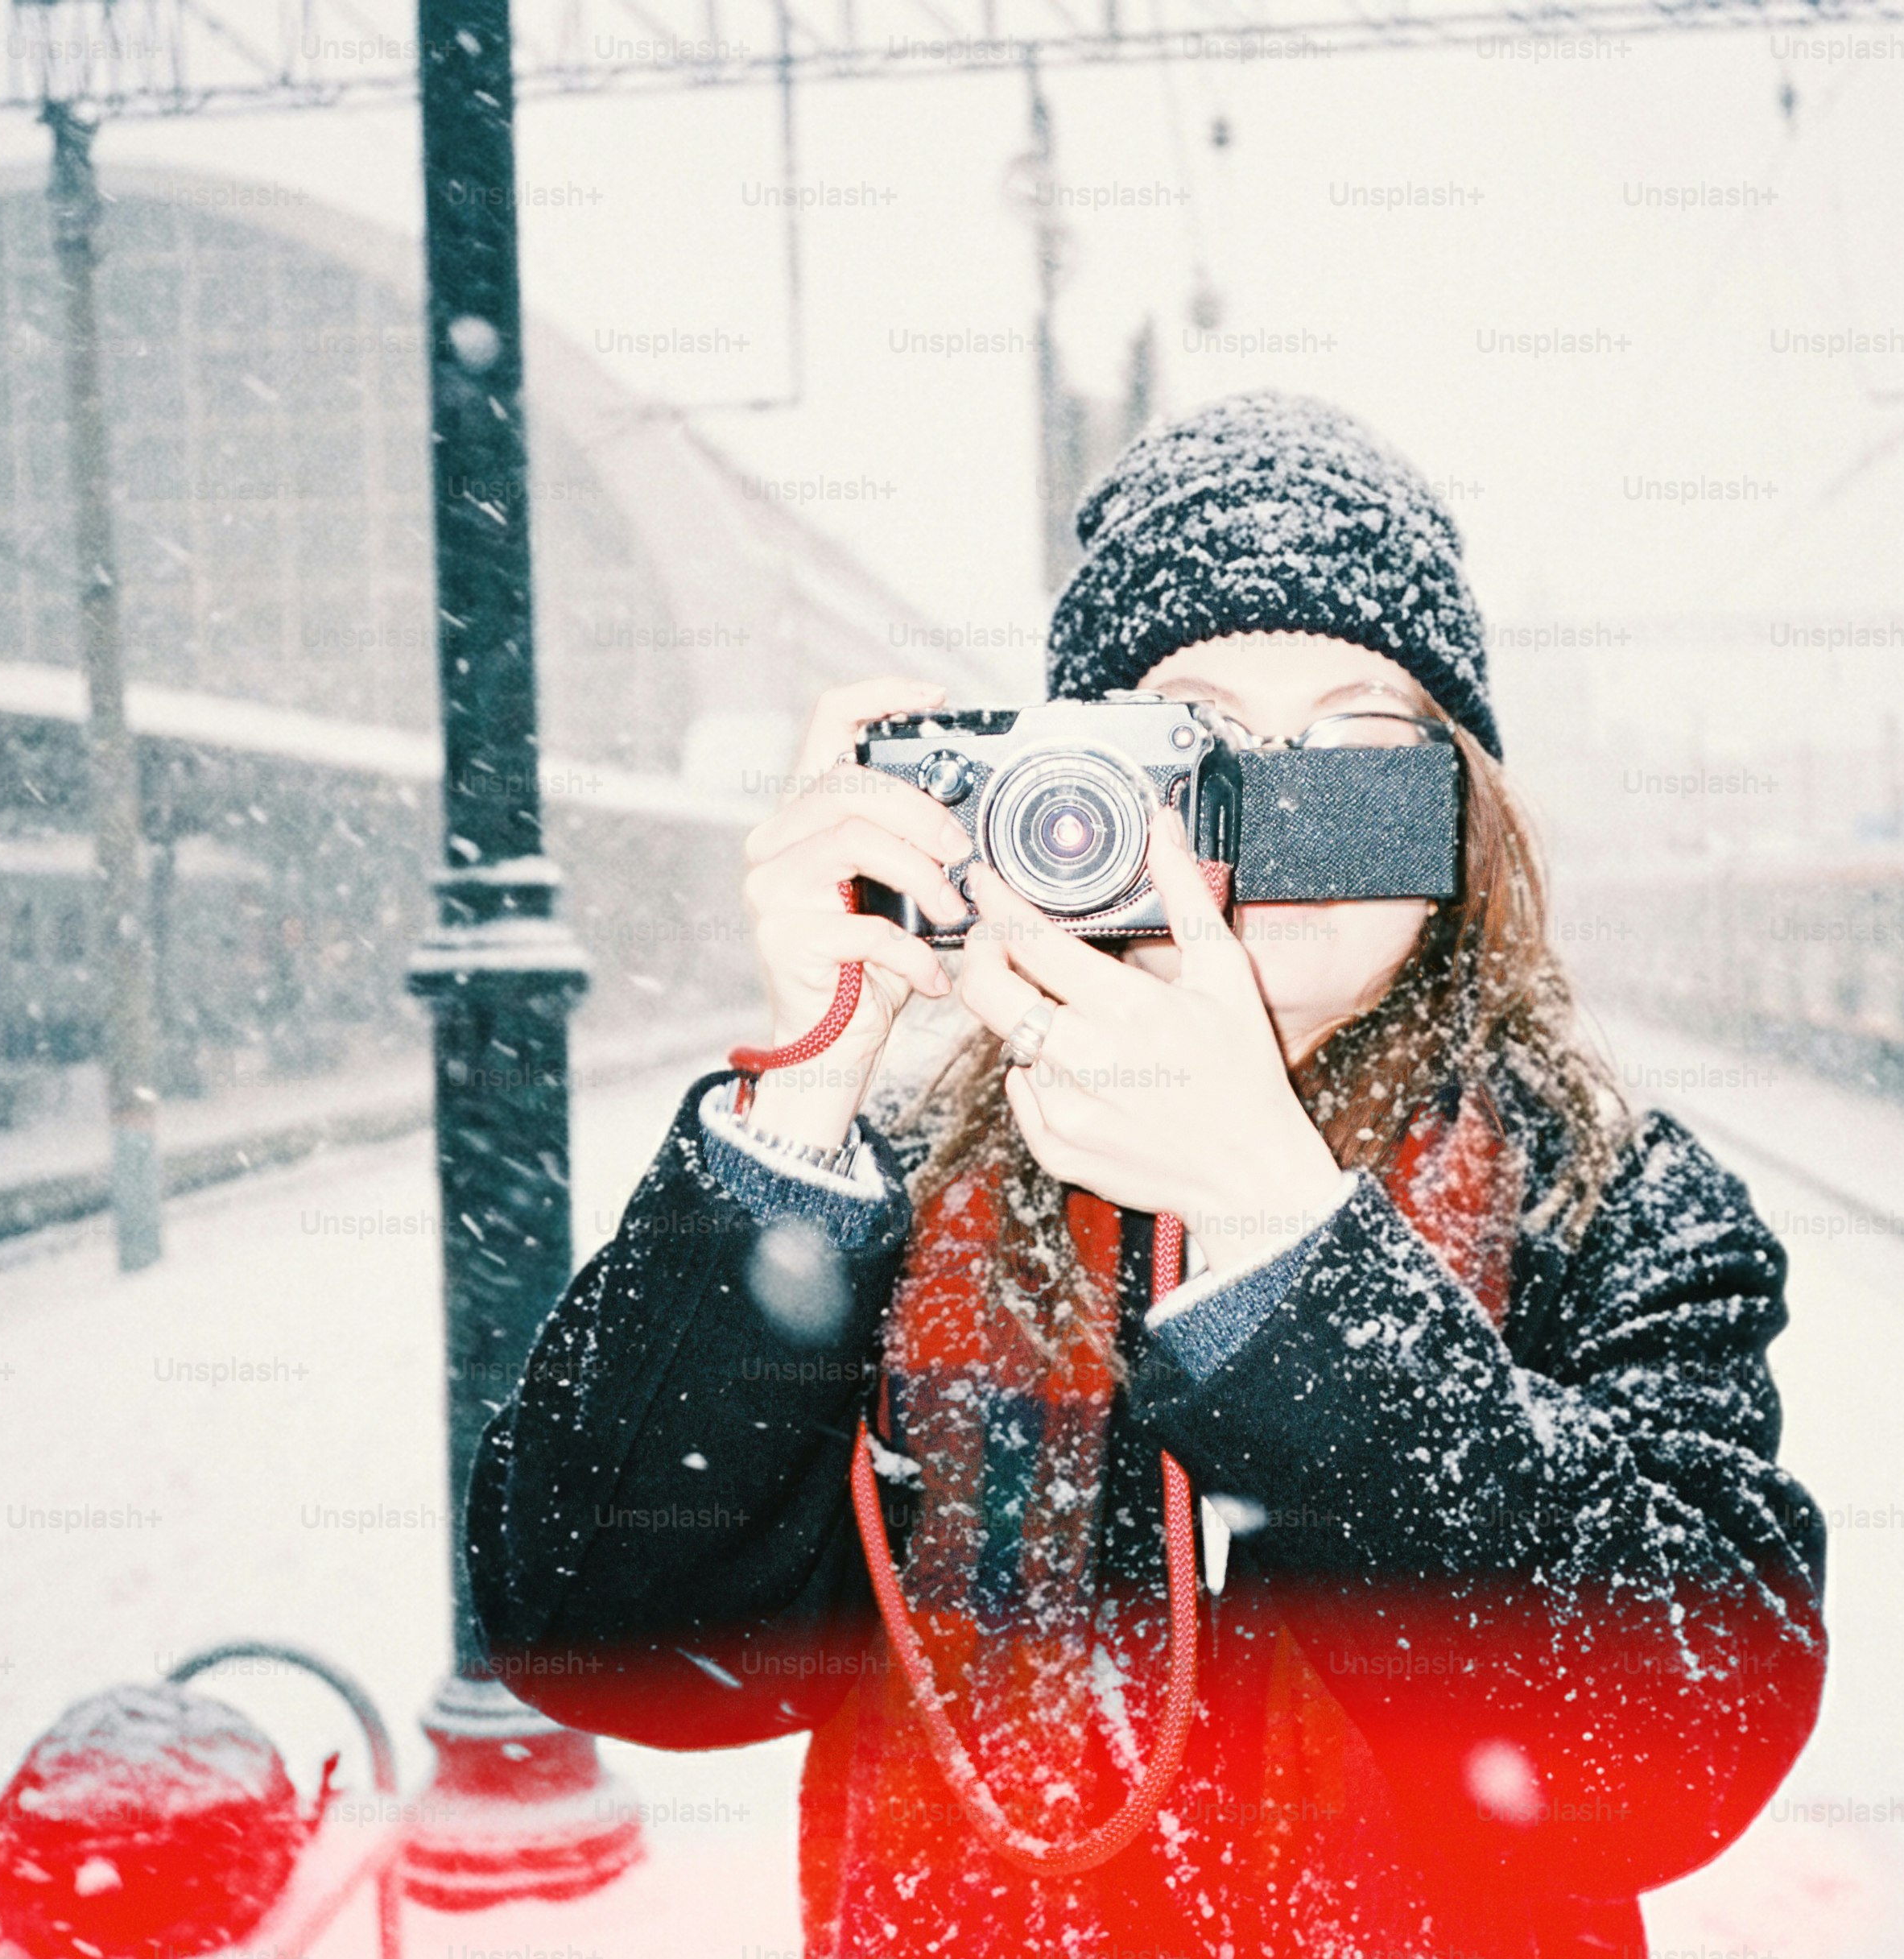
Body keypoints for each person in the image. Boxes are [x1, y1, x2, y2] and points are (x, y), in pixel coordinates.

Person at [465, 391, 1827, 1958]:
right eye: (1193, 748)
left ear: (1455, 809)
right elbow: (604, 1639)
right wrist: (804, 1097)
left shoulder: (1606, 1197)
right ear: (1064, 795)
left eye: (1355, 746)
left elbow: (1669, 1754)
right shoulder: (893, 1188)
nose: (1256, 814)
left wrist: (1281, 1246)